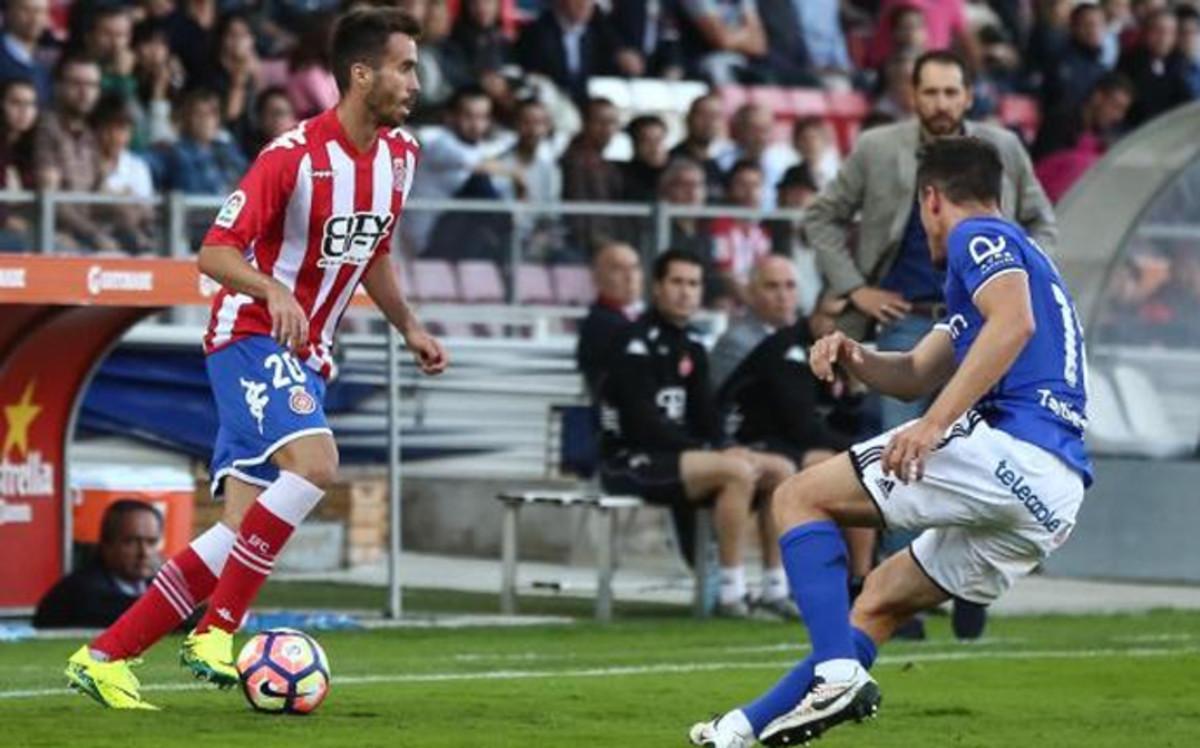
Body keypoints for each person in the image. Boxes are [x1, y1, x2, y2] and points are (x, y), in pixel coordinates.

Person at [64, 7, 447, 710]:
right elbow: (212, 250)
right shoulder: (292, 156)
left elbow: (374, 252)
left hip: (307, 355)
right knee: (318, 465)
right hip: (248, 336)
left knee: (239, 533)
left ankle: (104, 655)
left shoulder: (402, 157)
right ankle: (217, 630)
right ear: (361, 75)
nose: (415, 82)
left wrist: (409, 327)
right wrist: (271, 288)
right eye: (405, 67)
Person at [690, 134, 1091, 748]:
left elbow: (1015, 325)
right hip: (1052, 497)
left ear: (930, 199)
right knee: (877, 601)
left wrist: (935, 425)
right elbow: (911, 375)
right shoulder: (1001, 273)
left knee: (797, 498)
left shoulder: (977, 236)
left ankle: (836, 673)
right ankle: (739, 731)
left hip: (1013, 446)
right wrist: (854, 355)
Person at [599, 249, 795, 618]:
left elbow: (709, 417)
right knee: (734, 472)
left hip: (682, 458)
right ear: (657, 288)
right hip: (630, 460)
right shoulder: (633, 343)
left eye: (693, 284)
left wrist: (726, 446)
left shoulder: (694, 345)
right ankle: (729, 593)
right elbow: (645, 427)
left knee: (780, 470)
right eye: (676, 282)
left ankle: (774, 587)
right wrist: (715, 452)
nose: (685, 292)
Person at [34, 501, 163, 629]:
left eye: (151, 543)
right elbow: (132, 615)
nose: (144, 553)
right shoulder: (80, 591)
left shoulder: (155, 584)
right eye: (131, 542)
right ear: (106, 545)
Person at [1034, 72, 1133, 203]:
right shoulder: (1060, 121)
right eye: (1115, 107)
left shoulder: (1103, 138)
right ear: (1097, 97)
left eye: (1122, 110)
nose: (1118, 117)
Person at [575, 238, 642, 397]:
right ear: (596, 278)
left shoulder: (644, 315)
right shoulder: (600, 325)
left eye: (635, 268)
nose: (630, 276)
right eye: (618, 269)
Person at [156, 88, 248, 195]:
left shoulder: (228, 150)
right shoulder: (172, 152)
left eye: (212, 114)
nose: (206, 120)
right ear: (187, 118)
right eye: (199, 114)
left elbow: (251, 178)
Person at [1118, 7, 1193, 128]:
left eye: (1170, 32)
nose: (1163, 38)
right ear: (1145, 32)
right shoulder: (1129, 63)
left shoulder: (1179, 62)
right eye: (1158, 31)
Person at [710, 159, 772, 304]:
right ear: (730, 189)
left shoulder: (763, 232)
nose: (749, 192)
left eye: (755, 185)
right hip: (729, 305)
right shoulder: (719, 227)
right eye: (742, 184)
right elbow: (724, 274)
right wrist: (755, 304)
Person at [669, 92, 727, 201]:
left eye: (715, 116)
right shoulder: (670, 162)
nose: (709, 122)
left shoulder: (721, 165)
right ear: (688, 119)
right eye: (703, 115)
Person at [0, 0, 54, 104]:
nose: (35, 19)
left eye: (41, 11)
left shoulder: (44, 64)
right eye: (26, 10)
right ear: (8, 12)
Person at [620, 113, 668, 203]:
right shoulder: (621, 178)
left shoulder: (677, 175)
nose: (654, 147)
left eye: (659, 140)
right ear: (634, 144)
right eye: (646, 141)